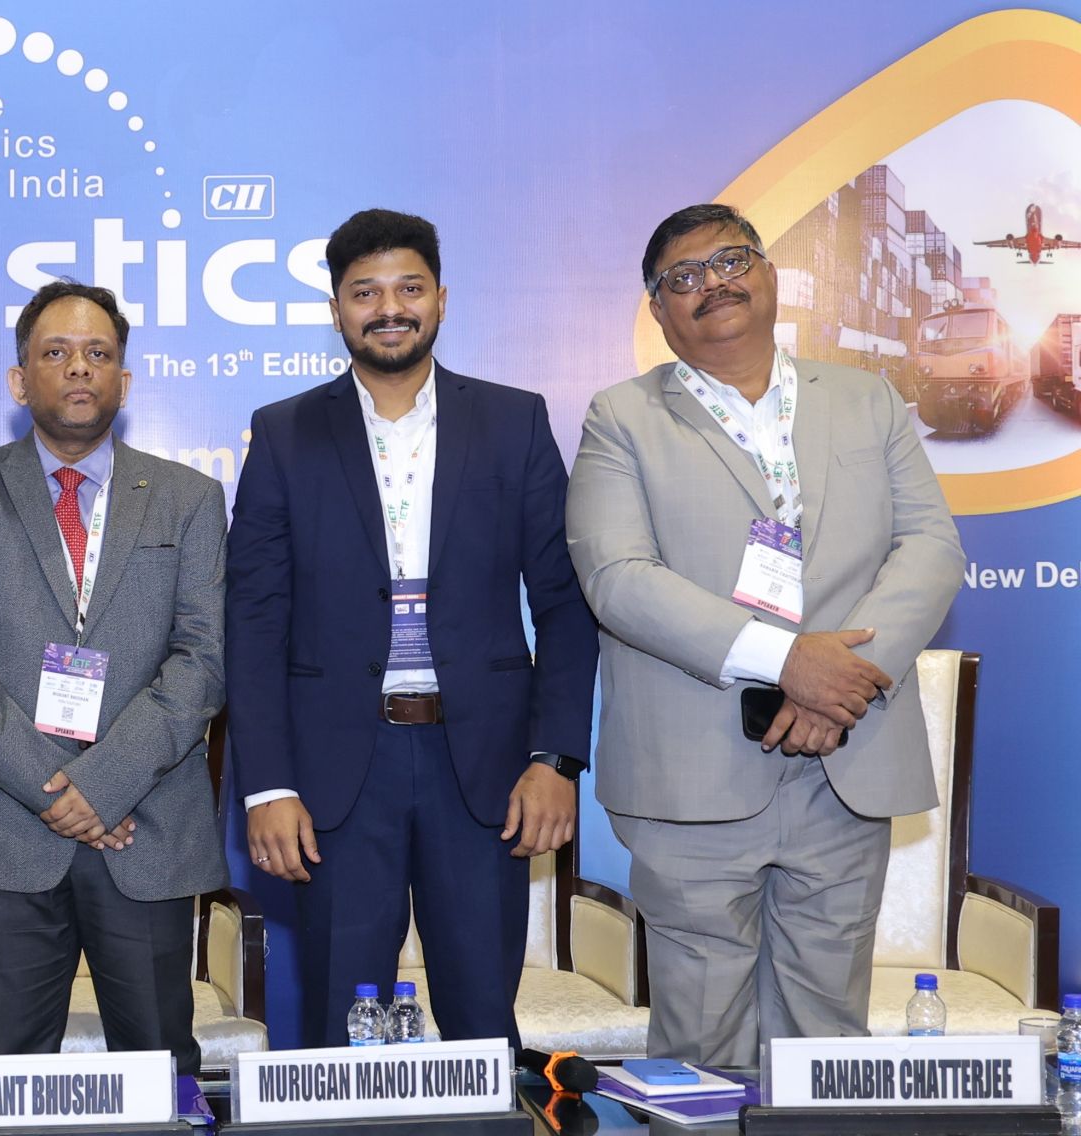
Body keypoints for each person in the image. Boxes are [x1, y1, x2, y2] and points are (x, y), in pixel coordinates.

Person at [566, 203, 964, 1064]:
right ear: (659, 311)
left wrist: (845, 681)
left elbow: (932, 548)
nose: (714, 283)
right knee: (702, 1047)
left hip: (845, 763)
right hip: (691, 777)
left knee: (828, 1045)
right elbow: (619, 580)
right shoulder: (621, 419)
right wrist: (792, 663)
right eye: (684, 277)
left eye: (731, 260)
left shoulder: (867, 399)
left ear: (770, 275)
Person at [226, 208, 596, 1048]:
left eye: (408, 288)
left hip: (486, 773)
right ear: (336, 310)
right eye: (365, 292)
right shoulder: (285, 433)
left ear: (441, 299)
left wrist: (555, 757)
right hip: (335, 779)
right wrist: (267, 785)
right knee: (338, 1022)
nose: (388, 307)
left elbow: (566, 603)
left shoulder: (513, 421)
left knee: (478, 1023)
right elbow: (252, 621)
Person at [0, 280, 228, 1076]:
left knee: (161, 1068)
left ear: (124, 377)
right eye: (55, 353)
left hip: (146, 826)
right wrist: (59, 791)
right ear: (21, 380)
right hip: (5, 827)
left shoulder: (190, 499)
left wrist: (106, 784)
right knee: (11, 1074)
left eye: (99, 354)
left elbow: (203, 660)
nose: (78, 369)